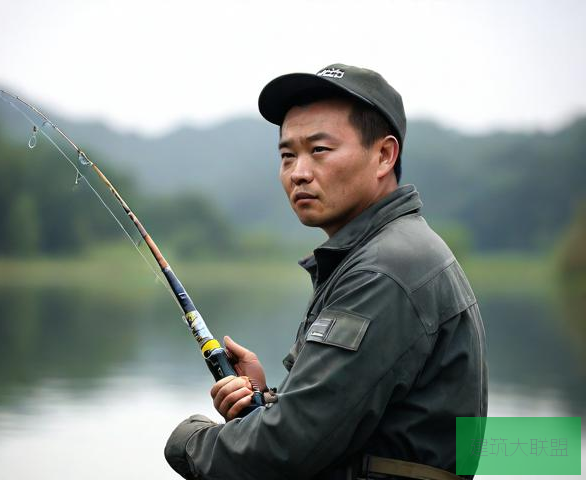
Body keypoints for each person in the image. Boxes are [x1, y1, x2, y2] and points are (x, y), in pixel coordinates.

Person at [164, 63, 487, 480]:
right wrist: (265, 402)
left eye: (319, 150)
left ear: (384, 156)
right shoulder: (385, 252)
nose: (298, 172)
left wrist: (186, 441)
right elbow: (356, 422)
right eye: (287, 155)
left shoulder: (385, 271)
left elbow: (288, 449)